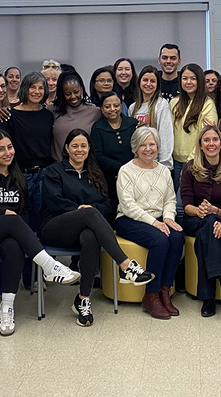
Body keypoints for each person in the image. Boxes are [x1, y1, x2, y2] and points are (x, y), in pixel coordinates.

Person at [0, 130, 81, 335]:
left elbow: (24, 213)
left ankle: (7, 307)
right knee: (13, 220)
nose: (7, 153)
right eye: (0, 149)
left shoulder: (19, 178)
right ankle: (49, 266)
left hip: (8, 235)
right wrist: (1, 213)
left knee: (14, 246)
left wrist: (12, 223)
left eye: (9, 147)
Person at [40, 129, 155, 327]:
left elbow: (107, 205)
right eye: (74, 146)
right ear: (66, 148)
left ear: (89, 148)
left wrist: (89, 212)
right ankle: (125, 265)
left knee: (91, 236)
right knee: (90, 213)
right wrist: (82, 211)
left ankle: (83, 299)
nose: (79, 150)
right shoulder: (54, 171)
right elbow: (54, 203)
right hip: (55, 227)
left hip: (85, 229)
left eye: (83, 146)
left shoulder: (95, 173)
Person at [116, 126, 185, 320]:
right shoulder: (126, 171)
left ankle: (165, 290)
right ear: (135, 147)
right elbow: (128, 205)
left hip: (159, 218)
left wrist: (168, 218)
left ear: (158, 146)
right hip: (130, 219)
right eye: (143, 145)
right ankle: (151, 295)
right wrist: (154, 222)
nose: (148, 149)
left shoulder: (163, 170)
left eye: (152, 144)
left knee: (177, 237)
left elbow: (170, 200)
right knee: (160, 240)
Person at [180, 126, 221, 316]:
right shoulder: (189, 169)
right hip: (193, 220)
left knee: (206, 233)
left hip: (220, 222)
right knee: (209, 222)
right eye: (206, 140)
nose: (211, 144)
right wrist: (200, 211)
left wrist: (214, 211)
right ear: (200, 145)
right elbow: (186, 205)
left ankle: (208, 298)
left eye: (215, 139)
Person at [0, 71, 55, 229]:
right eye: (33, 87)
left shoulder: (47, 115)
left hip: (44, 174)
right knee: (21, 217)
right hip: (20, 174)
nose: (37, 91)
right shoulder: (10, 115)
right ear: (25, 88)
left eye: (41, 88)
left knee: (42, 217)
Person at [171, 63, 218, 198]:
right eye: (185, 78)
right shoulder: (174, 103)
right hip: (175, 161)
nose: (188, 82)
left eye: (193, 78)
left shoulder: (207, 104)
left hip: (197, 162)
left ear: (200, 81)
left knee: (186, 202)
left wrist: (190, 162)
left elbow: (205, 136)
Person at [91, 92, 137, 207]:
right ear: (102, 109)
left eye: (116, 105)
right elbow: (97, 156)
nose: (112, 109)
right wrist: (121, 168)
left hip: (135, 176)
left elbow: (139, 150)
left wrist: (131, 169)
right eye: (107, 106)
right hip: (109, 179)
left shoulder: (133, 124)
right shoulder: (97, 127)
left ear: (121, 106)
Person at [52, 71, 102, 162]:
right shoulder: (52, 110)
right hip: (58, 166)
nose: (73, 97)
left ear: (81, 89)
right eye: (68, 94)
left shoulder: (95, 111)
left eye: (76, 92)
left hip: (86, 165)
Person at [131, 65, 174, 169]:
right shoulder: (132, 108)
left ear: (157, 84)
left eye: (153, 81)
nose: (148, 84)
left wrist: (164, 165)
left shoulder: (161, 104)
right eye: (145, 80)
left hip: (157, 164)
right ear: (139, 82)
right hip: (139, 164)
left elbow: (166, 136)